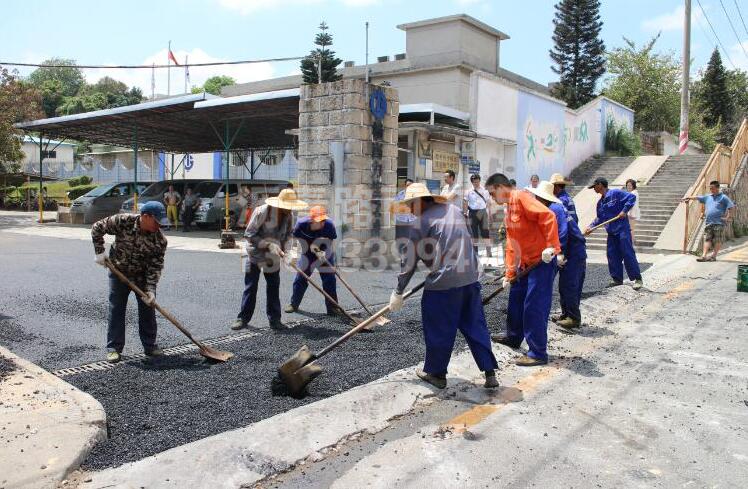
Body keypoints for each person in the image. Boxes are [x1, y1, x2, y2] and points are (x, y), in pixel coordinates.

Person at [388, 182, 499, 389]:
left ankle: (437, 374)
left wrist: (398, 291)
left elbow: (409, 261)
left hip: (445, 283)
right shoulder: (455, 211)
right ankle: (490, 373)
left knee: (439, 326)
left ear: (420, 202)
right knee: (475, 325)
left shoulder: (420, 223)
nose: (410, 209)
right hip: (470, 277)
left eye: (411, 204)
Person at [485, 173, 560, 366]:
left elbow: (548, 216)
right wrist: (509, 273)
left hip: (541, 262)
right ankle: (513, 336)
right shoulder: (509, 209)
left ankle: (537, 352)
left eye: (493, 193)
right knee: (516, 300)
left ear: (502, 187)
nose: (492, 198)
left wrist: (551, 246)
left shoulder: (521, 197)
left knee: (534, 306)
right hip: (524, 264)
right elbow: (512, 244)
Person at [92, 201, 168, 363]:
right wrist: (100, 252)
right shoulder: (123, 221)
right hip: (118, 272)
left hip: (141, 276)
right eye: (157, 222)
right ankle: (114, 348)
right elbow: (97, 228)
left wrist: (151, 290)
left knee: (148, 308)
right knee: (117, 308)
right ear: (145, 216)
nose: (158, 226)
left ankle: (150, 345)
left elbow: (155, 267)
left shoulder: (160, 241)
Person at [231, 189, 308, 331]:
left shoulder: (288, 215)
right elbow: (249, 234)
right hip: (253, 254)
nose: (289, 209)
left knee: (273, 287)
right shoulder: (261, 212)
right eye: (287, 206)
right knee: (251, 287)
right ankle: (242, 318)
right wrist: (269, 244)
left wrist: (287, 252)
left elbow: (289, 235)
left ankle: (275, 320)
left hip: (273, 257)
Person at [532, 181, 587, 329]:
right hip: (568, 249)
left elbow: (562, 233)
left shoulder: (555, 209)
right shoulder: (552, 207)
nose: (536, 200)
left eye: (537, 197)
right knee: (564, 285)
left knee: (570, 284)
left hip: (573, 251)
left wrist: (559, 252)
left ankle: (574, 318)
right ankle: (565, 314)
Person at [585, 177, 643, 290]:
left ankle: (637, 279)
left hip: (622, 230)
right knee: (612, 255)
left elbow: (632, 197)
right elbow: (600, 218)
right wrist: (591, 227)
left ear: (600, 185)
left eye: (594, 186)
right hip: (611, 232)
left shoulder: (615, 193)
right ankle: (617, 279)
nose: (594, 189)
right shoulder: (600, 203)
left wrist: (624, 211)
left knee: (627, 253)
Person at [285, 205, 340, 315]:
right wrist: (291, 253)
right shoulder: (301, 224)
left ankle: (333, 308)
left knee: (329, 280)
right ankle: (294, 304)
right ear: (311, 220)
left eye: (323, 220)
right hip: (307, 253)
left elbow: (330, 240)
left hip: (324, 252)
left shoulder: (329, 224)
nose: (322, 223)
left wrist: (321, 250)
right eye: (319, 221)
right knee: (300, 278)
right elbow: (293, 239)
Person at [683, 180, 736, 262]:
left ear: (717, 188)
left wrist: (727, 217)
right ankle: (704, 256)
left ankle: (714, 256)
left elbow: (731, 207)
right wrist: (688, 197)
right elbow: (698, 197)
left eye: (712, 188)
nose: (711, 190)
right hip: (709, 222)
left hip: (719, 222)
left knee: (717, 240)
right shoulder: (708, 197)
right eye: (710, 188)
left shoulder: (723, 197)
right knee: (707, 239)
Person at [463, 174, 492, 258]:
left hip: (482, 213)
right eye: (474, 182)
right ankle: (475, 252)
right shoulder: (468, 191)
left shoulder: (485, 190)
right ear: (472, 182)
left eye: (477, 181)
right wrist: (465, 213)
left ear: (480, 181)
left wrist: (489, 214)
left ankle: (488, 251)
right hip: (472, 213)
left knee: (485, 233)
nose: (476, 183)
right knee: (473, 234)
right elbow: (465, 202)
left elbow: (488, 203)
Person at [626, 179, 640, 244]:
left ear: (633, 186)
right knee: (631, 229)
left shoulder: (633, 193)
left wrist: (630, 214)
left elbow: (632, 205)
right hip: (632, 213)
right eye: (627, 185)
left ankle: (631, 242)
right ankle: (632, 240)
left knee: (631, 229)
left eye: (630, 185)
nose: (628, 187)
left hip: (632, 213)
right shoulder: (633, 193)